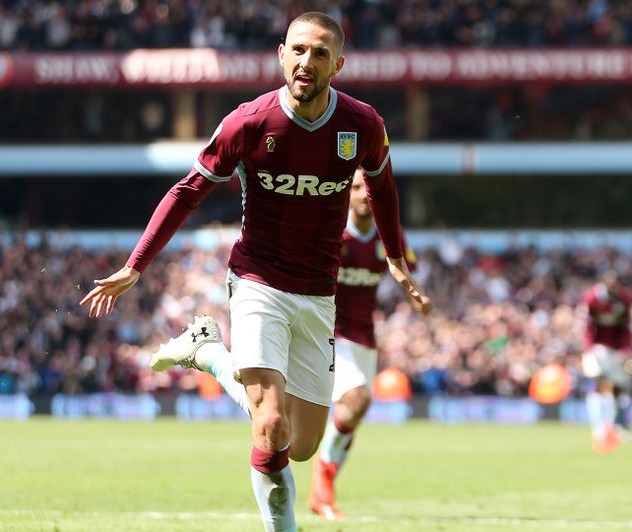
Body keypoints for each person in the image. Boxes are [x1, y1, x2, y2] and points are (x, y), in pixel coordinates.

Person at [79, 12, 430, 532]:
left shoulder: (362, 124)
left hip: (317, 295)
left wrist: (397, 260)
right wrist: (136, 265)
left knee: (304, 444)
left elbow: (383, 189)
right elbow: (186, 192)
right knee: (269, 424)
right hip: (257, 281)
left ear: (338, 63)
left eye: (318, 53)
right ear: (281, 53)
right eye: (298, 49)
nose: (306, 61)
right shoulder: (248, 122)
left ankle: (210, 354)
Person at [306, 168, 425, 520]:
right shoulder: (331, 232)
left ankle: (321, 493)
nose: (361, 194)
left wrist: (417, 297)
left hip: (364, 339)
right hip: (327, 334)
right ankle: (322, 481)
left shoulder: (390, 235)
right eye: (355, 187)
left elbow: (408, 269)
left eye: (367, 188)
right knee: (357, 399)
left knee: (354, 414)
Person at [576, 270, 632, 454]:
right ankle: (599, 429)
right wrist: (588, 349)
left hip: (616, 350)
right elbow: (585, 325)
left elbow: (626, 326)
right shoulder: (591, 298)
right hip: (597, 348)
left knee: (617, 389)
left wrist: (625, 349)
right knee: (598, 386)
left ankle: (615, 425)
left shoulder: (624, 298)